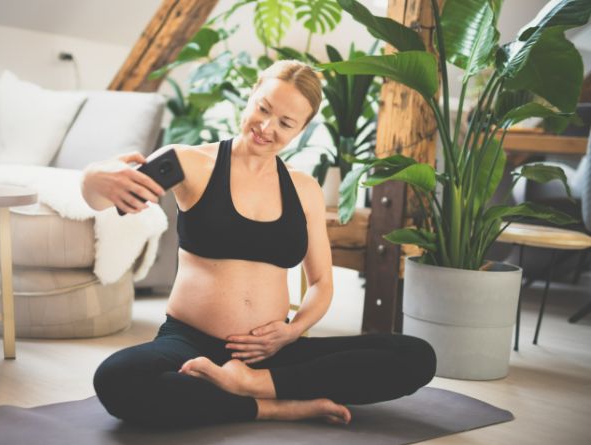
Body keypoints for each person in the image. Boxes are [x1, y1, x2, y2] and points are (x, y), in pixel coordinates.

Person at [82, 60, 436, 429]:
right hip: (189, 344)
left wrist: (291, 332)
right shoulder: (191, 163)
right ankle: (275, 405)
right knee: (117, 379)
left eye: (285, 123)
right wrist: (93, 178)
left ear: (302, 128)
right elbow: (105, 199)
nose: (267, 128)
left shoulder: (304, 189)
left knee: (416, 356)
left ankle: (255, 384)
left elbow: (321, 283)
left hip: (275, 351)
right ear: (252, 95)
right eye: (263, 108)